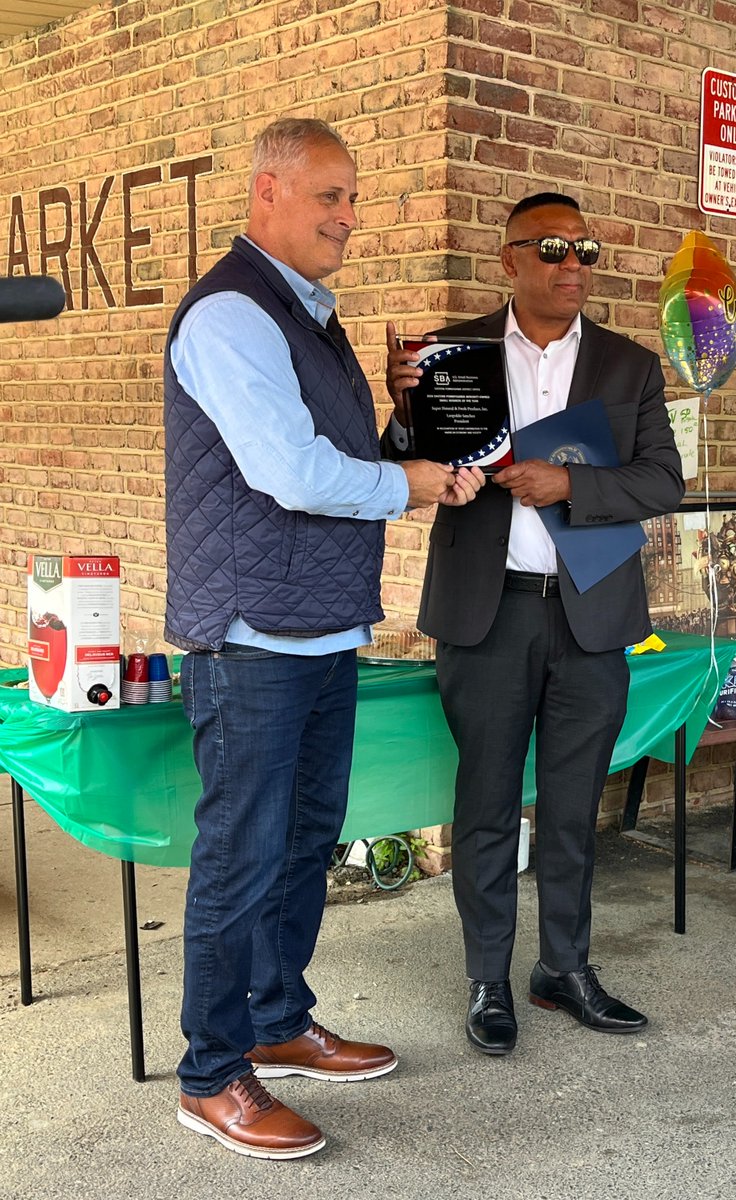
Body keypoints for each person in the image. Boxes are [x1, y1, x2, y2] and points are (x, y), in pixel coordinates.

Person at [163, 117, 482, 1160]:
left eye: (354, 197)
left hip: (319, 629)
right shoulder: (230, 315)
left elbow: (337, 460)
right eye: (329, 196)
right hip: (252, 637)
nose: (349, 217)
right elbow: (291, 475)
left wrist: (397, 421)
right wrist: (414, 482)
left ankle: (276, 1019)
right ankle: (212, 1076)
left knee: (304, 843)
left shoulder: (314, 317)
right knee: (240, 858)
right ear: (267, 194)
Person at [385, 192, 684, 1056]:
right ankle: (488, 980)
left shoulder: (629, 367)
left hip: (591, 619)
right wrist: (406, 413)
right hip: (489, 613)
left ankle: (564, 968)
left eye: (586, 251)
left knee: (570, 806)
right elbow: (394, 467)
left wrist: (572, 487)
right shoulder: (453, 354)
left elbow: (662, 481)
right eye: (552, 248)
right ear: (509, 258)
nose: (572, 265)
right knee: (484, 805)